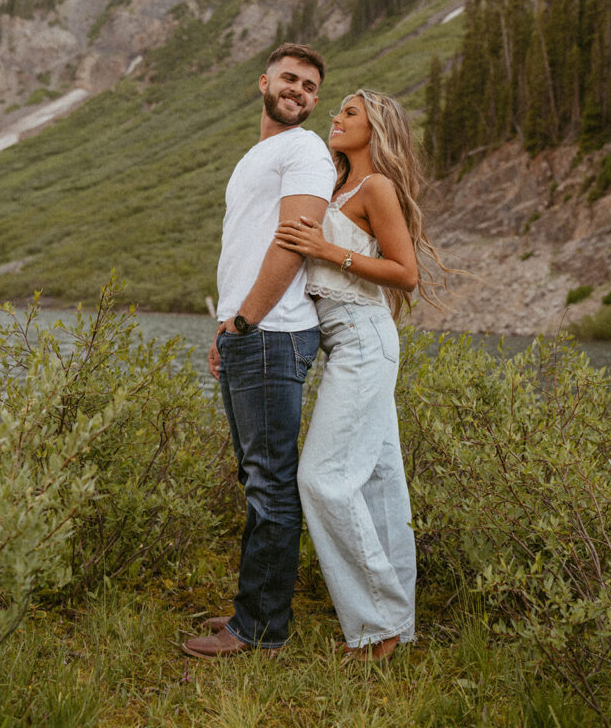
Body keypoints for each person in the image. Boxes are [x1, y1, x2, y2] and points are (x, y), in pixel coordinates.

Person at [275, 88, 445, 661]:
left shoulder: (377, 188)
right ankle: (397, 625)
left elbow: (405, 272)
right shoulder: (336, 186)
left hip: (365, 339)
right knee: (376, 483)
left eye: (349, 112)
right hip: (343, 343)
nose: (337, 117)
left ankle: (376, 627)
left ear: (376, 127)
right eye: (339, 110)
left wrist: (328, 251)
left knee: (322, 479)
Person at [182, 43, 336, 659]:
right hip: (250, 333)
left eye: (311, 87)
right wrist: (228, 325)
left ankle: (262, 630)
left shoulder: (304, 150)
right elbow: (246, 247)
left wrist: (245, 321)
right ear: (264, 82)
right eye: (291, 79)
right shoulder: (261, 153)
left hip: (272, 333)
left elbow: (293, 242)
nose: (300, 91)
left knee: (270, 484)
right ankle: (255, 610)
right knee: (259, 480)